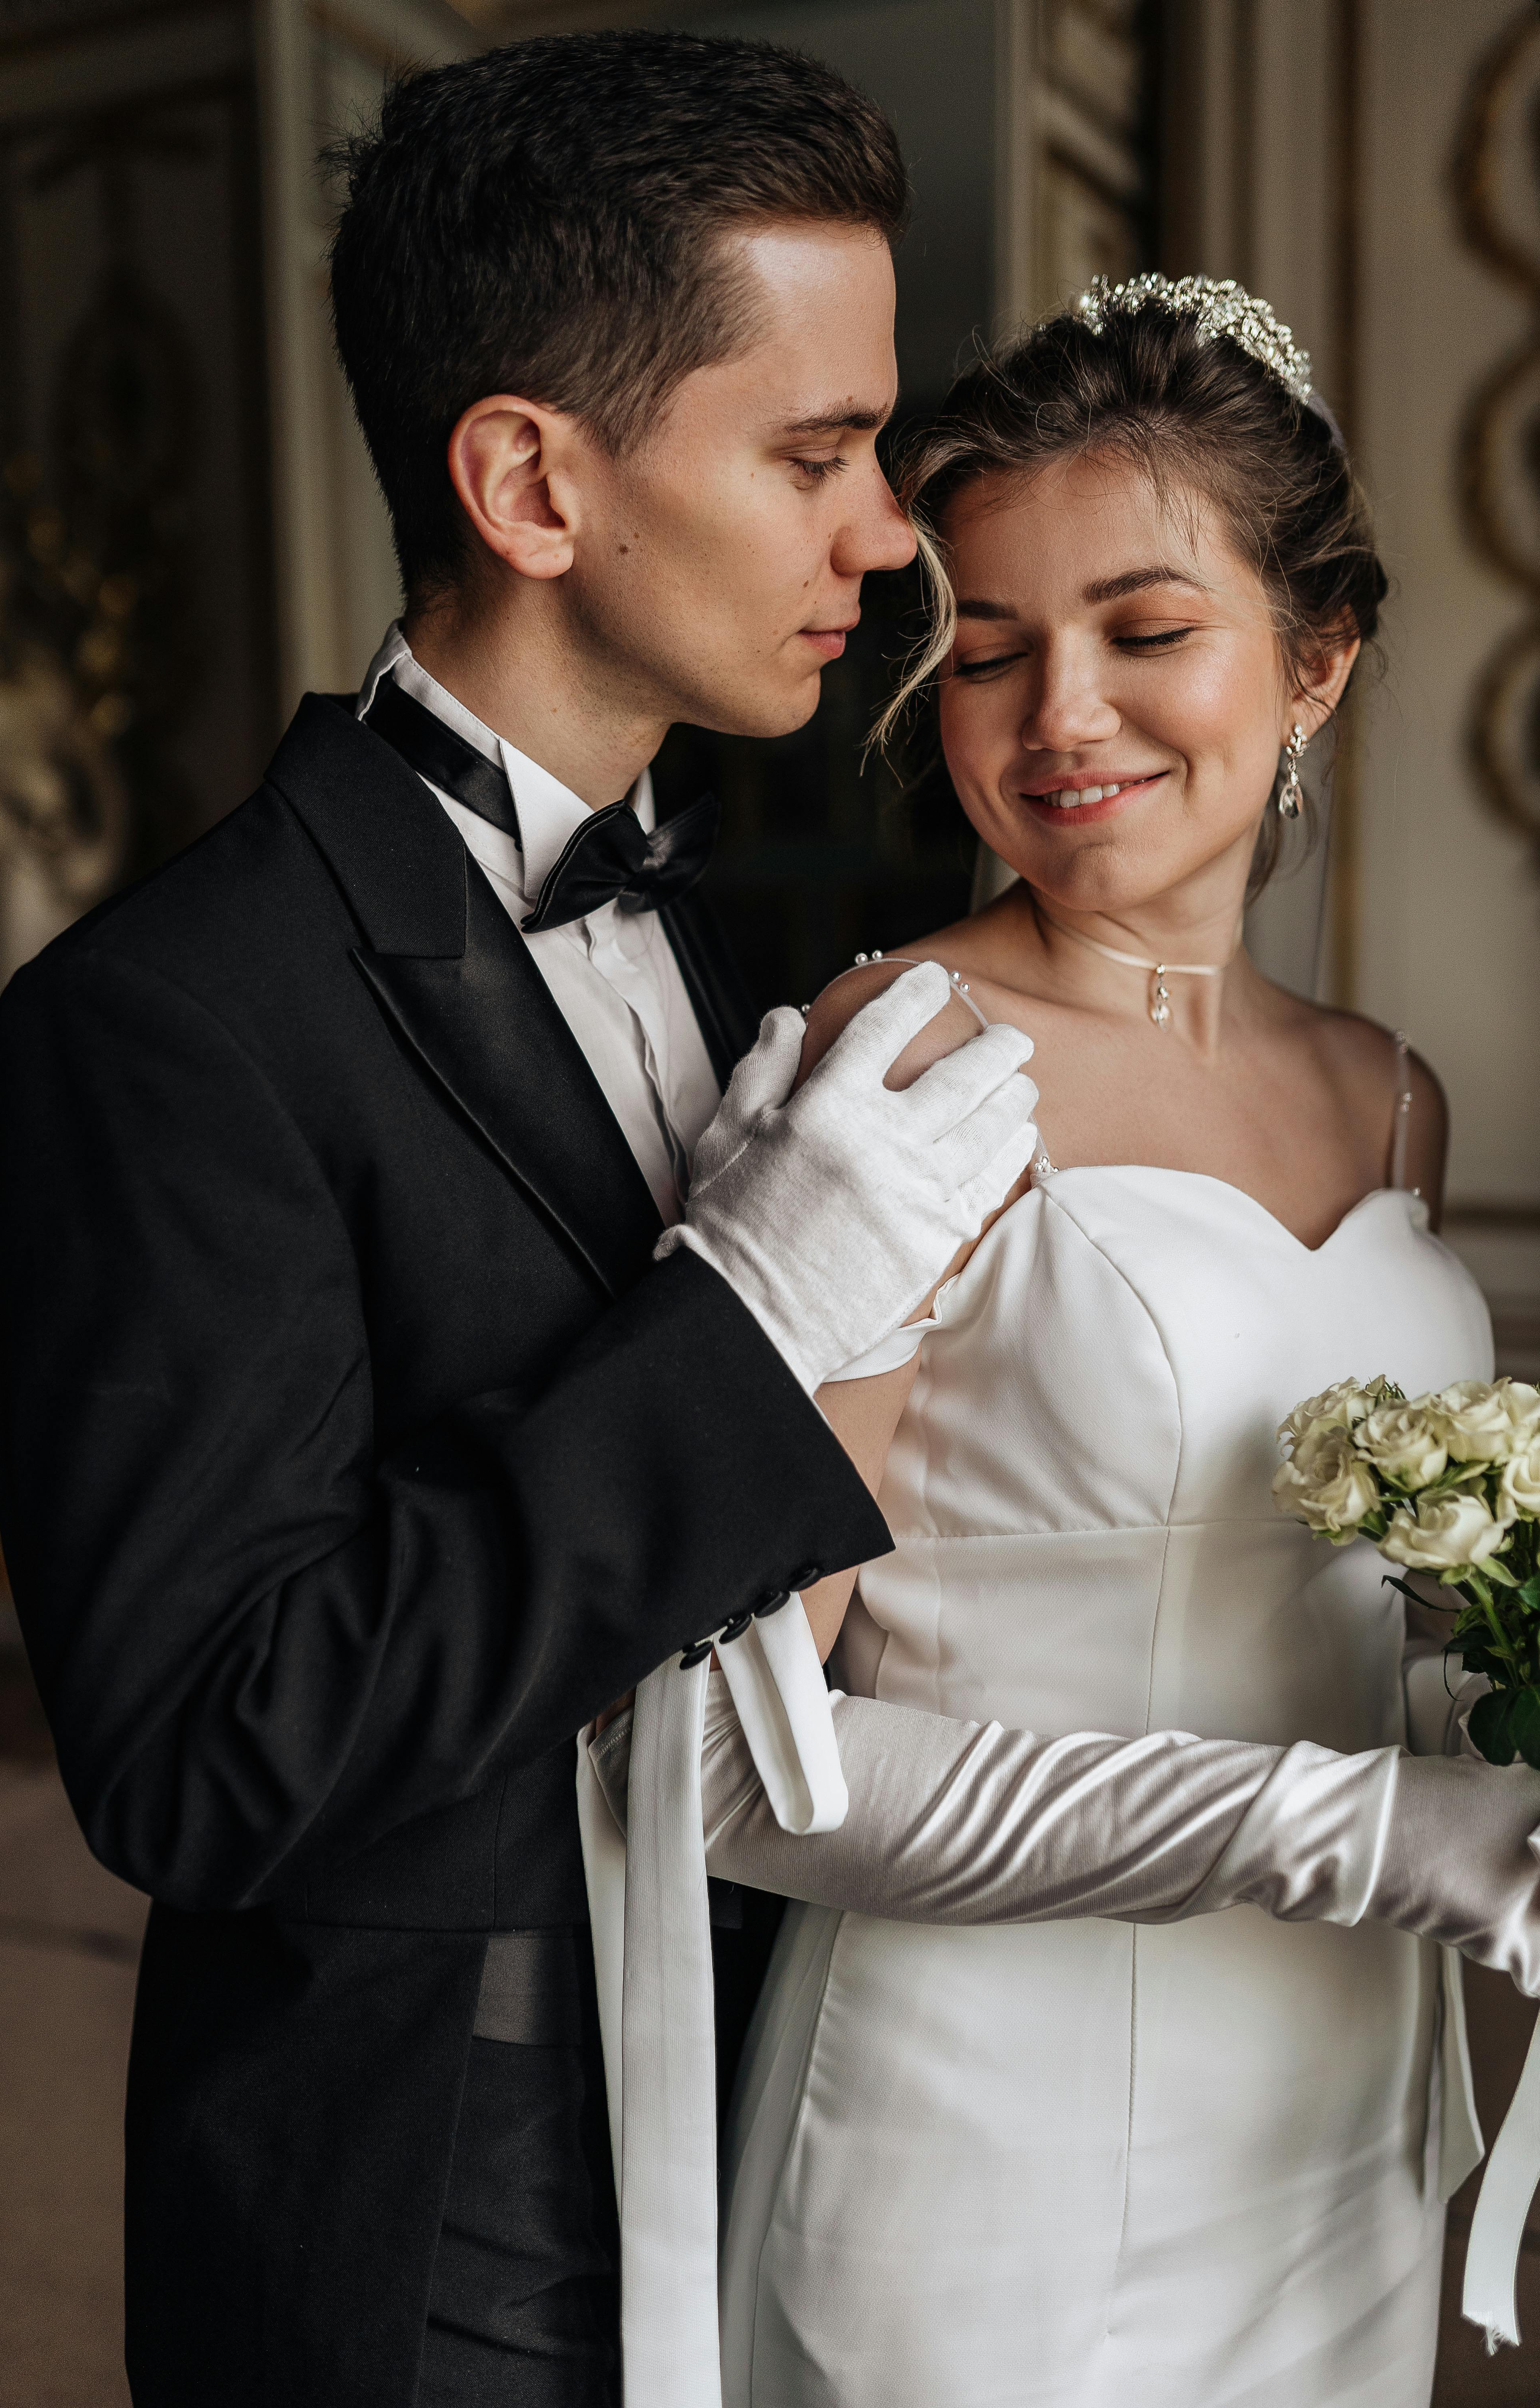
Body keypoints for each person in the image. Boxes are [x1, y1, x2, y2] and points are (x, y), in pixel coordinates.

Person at [0, 36, 1537, 2407]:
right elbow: (215, 1749)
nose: (891, 544)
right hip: (446, 2201)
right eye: (817, 458)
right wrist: (742, 1308)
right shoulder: (177, 1012)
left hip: (830, 2098)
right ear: (530, 481)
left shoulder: (712, 972)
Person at [708, 279, 1514, 2407]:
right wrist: (1343, 1830)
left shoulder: (1391, 1092)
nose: (1057, 715)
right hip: (994, 2159)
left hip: (1343, 2117)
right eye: (985, 649)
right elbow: (735, 1772)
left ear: (1315, 661)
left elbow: (1343, 1620)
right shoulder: (898, 1065)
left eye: (1145, 633)